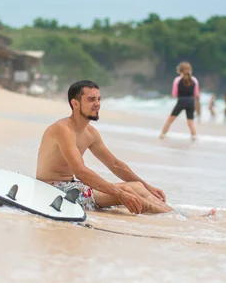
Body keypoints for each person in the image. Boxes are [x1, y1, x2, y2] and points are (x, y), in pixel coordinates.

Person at [37, 80, 172, 214]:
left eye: (98, 99)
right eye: (91, 100)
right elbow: (81, 171)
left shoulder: (90, 132)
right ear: (75, 103)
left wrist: (148, 187)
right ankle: (171, 220)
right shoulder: (64, 130)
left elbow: (114, 164)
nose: (97, 104)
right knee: (128, 191)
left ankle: (176, 215)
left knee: (138, 187)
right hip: (52, 189)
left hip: (74, 186)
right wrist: (120, 194)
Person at [159, 62, 198, 141]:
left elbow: (174, 94)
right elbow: (196, 94)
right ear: (190, 70)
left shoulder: (177, 80)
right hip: (191, 102)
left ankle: (162, 134)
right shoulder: (195, 80)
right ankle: (194, 137)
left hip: (181, 101)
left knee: (170, 120)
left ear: (179, 71)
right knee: (190, 122)